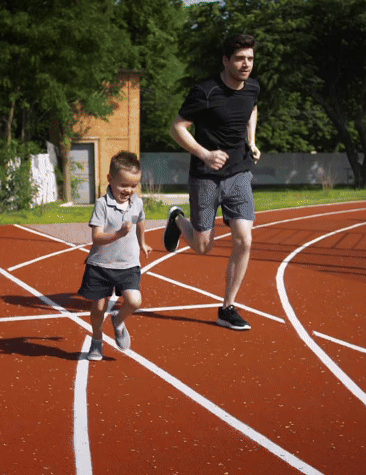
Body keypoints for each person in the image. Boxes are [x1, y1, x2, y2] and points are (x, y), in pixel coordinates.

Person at [164, 33, 260, 331]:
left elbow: (252, 109)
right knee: (203, 246)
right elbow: (177, 127)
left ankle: (227, 307)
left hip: (240, 173)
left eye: (250, 58)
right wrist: (204, 154)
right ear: (225, 60)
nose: (246, 64)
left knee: (244, 240)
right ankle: (178, 219)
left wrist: (251, 142)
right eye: (240, 59)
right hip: (206, 177)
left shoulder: (253, 87)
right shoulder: (205, 91)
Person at [77, 151, 152, 361]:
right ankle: (96, 340)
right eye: (124, 185)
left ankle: (118, 321)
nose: (129, 190)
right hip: (100, 265)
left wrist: (142, 241)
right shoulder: (102, 205)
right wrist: (119, 234)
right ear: (110, 179)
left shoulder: (137, 203)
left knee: (134, 301)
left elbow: (140, 221)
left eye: (134, 185)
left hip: (128, 264)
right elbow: (96, 237)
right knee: (98, 307)